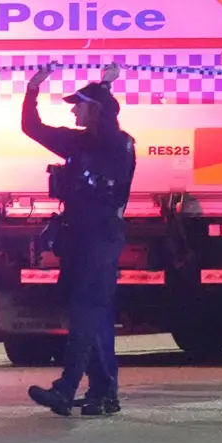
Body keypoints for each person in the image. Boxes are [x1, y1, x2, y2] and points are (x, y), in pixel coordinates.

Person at [20, 62, 134, 417]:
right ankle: (103, 392)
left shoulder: (118, 146)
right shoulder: (77, 141)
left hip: (100, 240)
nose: (72, 110)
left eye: (78, 104)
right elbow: (31, 126)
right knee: (90, 316)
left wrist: (104, 87)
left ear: (95, 110)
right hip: (78, 239)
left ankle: (67, 388)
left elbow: (108, 132)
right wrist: (32, 89)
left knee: (87, 313)